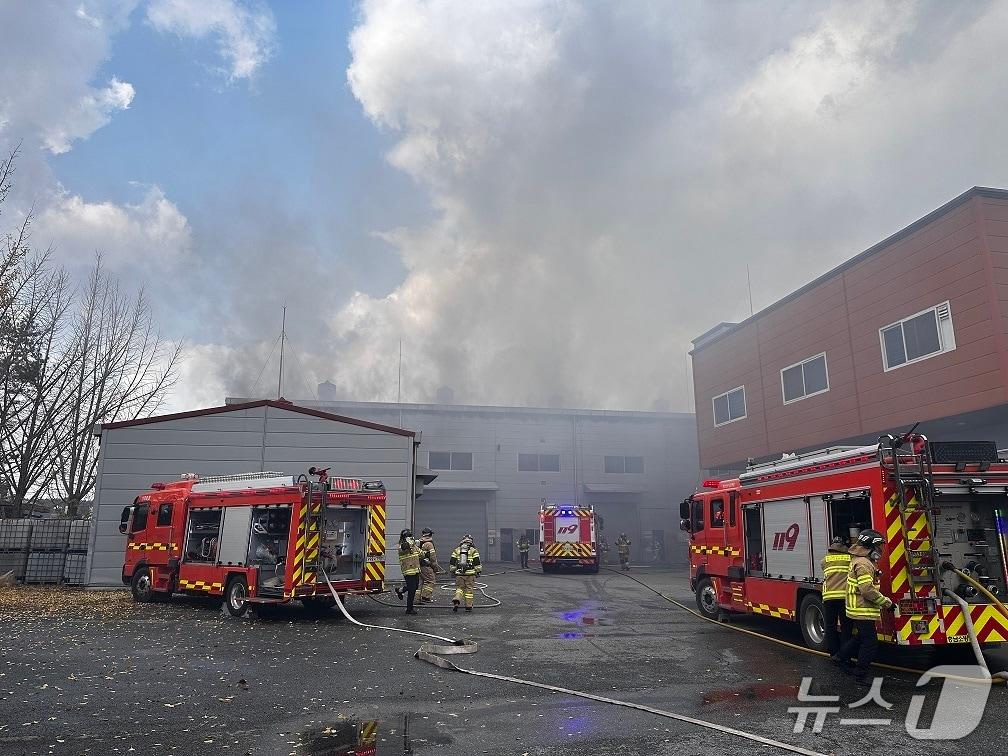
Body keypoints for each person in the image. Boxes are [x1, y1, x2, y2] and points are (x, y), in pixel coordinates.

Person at [835, 529, 893, 685]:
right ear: (870, 547)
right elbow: (867, 590)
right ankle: (861, 674)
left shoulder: (861, 561)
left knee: (860, 637)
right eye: (879, 546)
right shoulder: (863, 564)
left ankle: (840, 657)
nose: (881, 549)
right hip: (862, 609)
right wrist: (886, 603)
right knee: (870, 643)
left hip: (858, 608)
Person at [820, 536, 852, 661]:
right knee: (846, 626)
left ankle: (833, 652)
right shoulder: (849, 559)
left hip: (829, 597)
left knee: (830, 625)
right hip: (844, 597)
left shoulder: (825, 560)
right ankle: (845, 654)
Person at [449, 534, 482, 613]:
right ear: (471, 541)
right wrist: (478, 571)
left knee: (459, 588)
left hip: (459, 574)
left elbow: (452, 561)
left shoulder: (457, 550)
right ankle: (468, 606)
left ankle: (457, 599)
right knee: (469, 590)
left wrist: (453, 571)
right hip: (470, 575)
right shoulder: (473, 550)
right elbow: (477, 562)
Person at [395, 529, 422, 615]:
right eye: (409, 536)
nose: (411, 538)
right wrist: (412, 541)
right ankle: (409, 609)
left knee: (415, 587)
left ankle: (400, 590)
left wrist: (426, 555)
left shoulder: (413, 546)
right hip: (408, 571)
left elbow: (420, 553)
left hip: (416, 569)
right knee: (412, 590)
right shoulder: (401, 546)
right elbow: (406, 546)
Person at [418, 527, 442, 603]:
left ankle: (416, 599)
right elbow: (433, 558)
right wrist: (435, 568)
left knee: (421, 582)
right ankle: (426, 597)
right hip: (426, 566)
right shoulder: (429, 544)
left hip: (419, 566)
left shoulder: (419, 543)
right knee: (431, 581)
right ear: (430, 534)